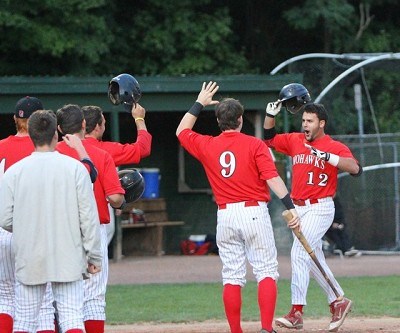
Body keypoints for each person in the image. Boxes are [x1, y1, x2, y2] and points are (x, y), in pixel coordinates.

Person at [176, 81, 301, 333]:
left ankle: (236, 331)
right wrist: (291, 207)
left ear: (219, 121)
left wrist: (200, 102)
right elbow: (273, 179)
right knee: (266, 271)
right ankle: (266, 328)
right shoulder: (255, 145)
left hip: (225, 215)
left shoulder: (207, 144)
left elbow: (181, 130)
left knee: (232, 276)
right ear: (241, 119)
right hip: (253, 212)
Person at [264, 100, 362, 332]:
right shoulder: (296, 140)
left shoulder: (332, 145)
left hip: (320, 207)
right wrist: (270, 114)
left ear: (321, 123)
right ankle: (338, 300)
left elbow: (356, 169)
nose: (304, 125)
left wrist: (328, 157)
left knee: (299, 253)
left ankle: (297, 312)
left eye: (309, 121)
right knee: (311, 257)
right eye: (303, 120)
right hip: (299, 208)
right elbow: (269, 138)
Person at [0, 109, 102, 333]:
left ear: (32, 136)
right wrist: (93, 255)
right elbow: (88, 218)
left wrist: (28, 227)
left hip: (30, 253)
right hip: (68, 252)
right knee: (72, 317)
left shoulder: (14, 172)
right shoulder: (76, 169)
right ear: (55, 135)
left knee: (25, 320)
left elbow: (5, 218)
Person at [56, 104, 125, 333]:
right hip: (92, 229)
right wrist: (122, 201)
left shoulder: (51, 154)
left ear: (58, 128)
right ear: (84, 124)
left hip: (57, 229)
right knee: (93, 298)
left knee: (57, 299)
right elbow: (115, 198)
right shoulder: (100, 154)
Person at [81, 103, 152, 244]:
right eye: (104, 123)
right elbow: (143, 148)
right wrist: (139, 119)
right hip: (96, 218)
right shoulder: (106, 150)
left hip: (68, 220)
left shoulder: (62, 149)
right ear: (97, 127)